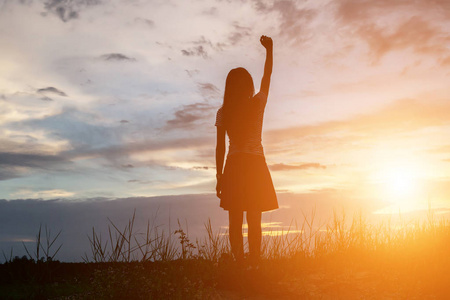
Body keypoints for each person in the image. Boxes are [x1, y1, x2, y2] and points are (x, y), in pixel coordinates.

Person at [215, 35, 278, 266]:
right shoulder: (257, 104)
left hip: (234, 166)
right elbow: (267, 76)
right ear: (249, 86)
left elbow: (220, 147)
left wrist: (219, 176)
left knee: (235, 220)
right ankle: (255, 263)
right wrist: (269, 50)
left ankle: (239, 263)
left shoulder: (224, 112)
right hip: (255, 165)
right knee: (254, 218)